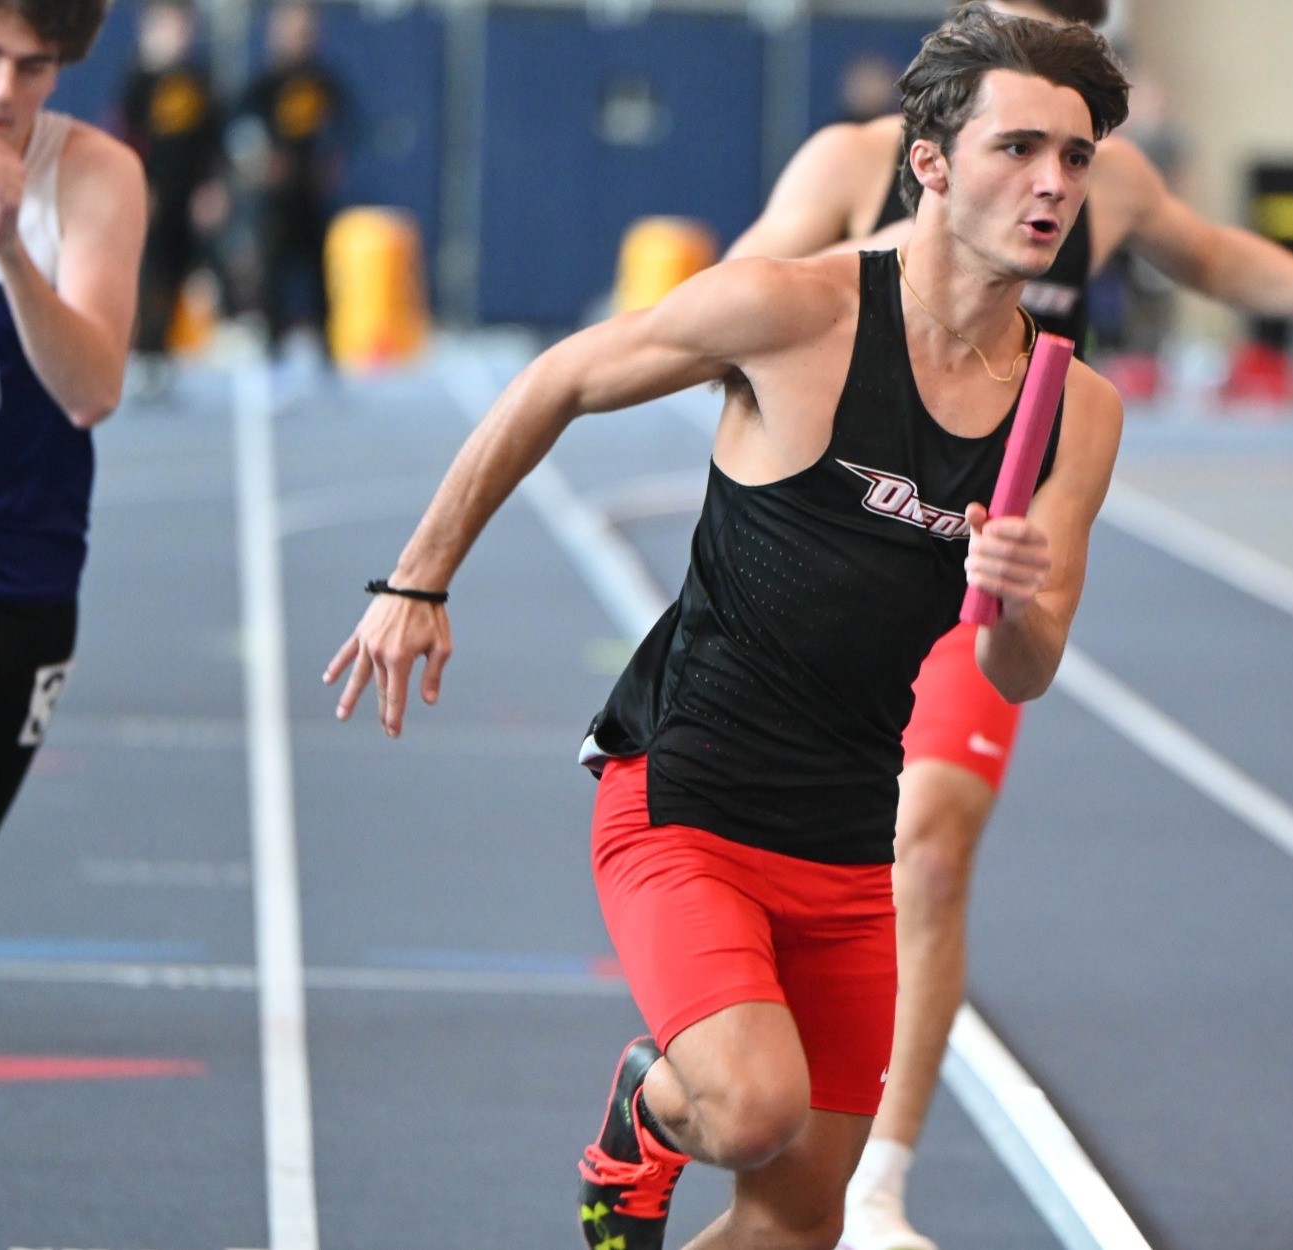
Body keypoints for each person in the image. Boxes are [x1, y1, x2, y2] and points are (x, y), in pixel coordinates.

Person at [322, 9, 1130, 1250]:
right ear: (927, 160)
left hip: (848, 839)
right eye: (1019, 148)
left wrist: (1015, 590)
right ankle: (642, 1117)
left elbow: (1019, 672)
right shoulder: (792, 310)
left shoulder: (1069, 410)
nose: (1051, 184)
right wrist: (415, 582)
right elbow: (559, 380)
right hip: (684, 794)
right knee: (750, 1105)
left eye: (1074, 159)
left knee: (796, 1224)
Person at [726, 4, 1293, 1247]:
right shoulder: (848, 160)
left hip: (986, 564)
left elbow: (1206, 255)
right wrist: (922, 250)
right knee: (785, 848)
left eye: (1070, 63)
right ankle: (717, 1075)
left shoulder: (1106, 178)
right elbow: (739, 299)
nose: (1049, 158)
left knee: (926, 848)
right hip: (837, 545)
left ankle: (878, 1180)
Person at [0, 0, 148, 838]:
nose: (3, 88)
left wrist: (10, 252)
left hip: (18, 582)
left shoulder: (93, 175)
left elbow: (91, 390)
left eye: (32, 66)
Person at [118, 0, 221, 396]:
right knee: (149, 274)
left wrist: (212, 187)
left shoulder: (200, 79)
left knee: (179, 272)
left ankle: (162, 354)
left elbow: (212, 141)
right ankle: (142, 355)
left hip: (187, 195)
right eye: (167, 27)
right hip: (151, 193)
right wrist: (138, 183)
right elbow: (127, 135)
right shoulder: (140, 80)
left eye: (182, 27)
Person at [235, 0, 343, 355]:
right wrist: (260, 163)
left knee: (320, 273)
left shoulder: (323, 81)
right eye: (291, 29)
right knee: (274, 273)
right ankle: (273, 346)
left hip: (312, 196)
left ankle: (326, 348)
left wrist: (330, 162)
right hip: (275, 199)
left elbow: (347, 130)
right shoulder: (264, 86)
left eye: (304, 30)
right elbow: (241, 134)